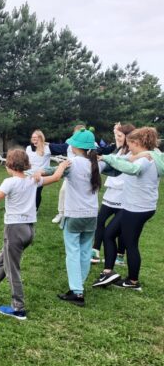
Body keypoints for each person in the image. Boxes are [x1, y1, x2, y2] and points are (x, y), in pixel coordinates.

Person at [0, 149, 69, 320]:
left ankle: (18, 308)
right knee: (3, 260)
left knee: (12, 269)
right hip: (29, 230)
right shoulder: (33, 180)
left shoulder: (10, 182)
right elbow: (56, 177)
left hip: (14, 230)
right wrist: (62, 166)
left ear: (10, 165)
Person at [92, 127, 160, 291]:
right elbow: (124, 159)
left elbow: (132, 169)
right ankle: (108, 272)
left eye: (130, 144)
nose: (128, 147)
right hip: (135, 206)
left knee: (130, 243)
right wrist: (107, 158)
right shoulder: (145, 155)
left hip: (137, 208)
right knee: (109, 234)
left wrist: (108, 159)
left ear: (137, 142)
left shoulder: (146, 159)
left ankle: (132, 281)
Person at [53, 128, 102, 307]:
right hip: (92, 215)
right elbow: (115, 170)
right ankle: (78, 287)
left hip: (74, 215)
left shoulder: (71, 163)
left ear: (75, 146)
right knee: (85, 251)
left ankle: (77, 291)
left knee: (72, 253)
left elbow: (51, 171)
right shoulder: (96, 163)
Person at [91, 123, 135, 265]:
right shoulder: (119, 149)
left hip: (124, 193)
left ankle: (120, 256)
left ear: (128, 137)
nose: (117, 138)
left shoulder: (133, 153)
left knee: (121, 228)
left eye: (120, 136)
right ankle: (95, 251)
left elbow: (119, 163)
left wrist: (106, 159)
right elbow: (111, 157)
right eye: (116, 135)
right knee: (100, 220)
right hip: (111, 192)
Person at [49, 124, 86, 224]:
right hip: (70, 172)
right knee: (63, 191)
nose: (78, 135)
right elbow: (60, 148)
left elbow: (99, 152)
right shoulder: (69, 142)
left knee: (80, 194)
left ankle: (79, 214)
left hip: (84, 174)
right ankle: (61, 214)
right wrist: (46, 144)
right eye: (76, 133)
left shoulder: (90, 143)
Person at [25, 130, 51, 210]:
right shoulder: (28, 148)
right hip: (28, 174)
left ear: (40, 138)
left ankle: (35, 210)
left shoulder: (47, 148)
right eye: (32, 137)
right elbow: (27, 160)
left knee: (36, 192)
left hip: (40, 175)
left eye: (36, 137)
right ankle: (27, 208)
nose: (33, 139)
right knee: (27, 192)